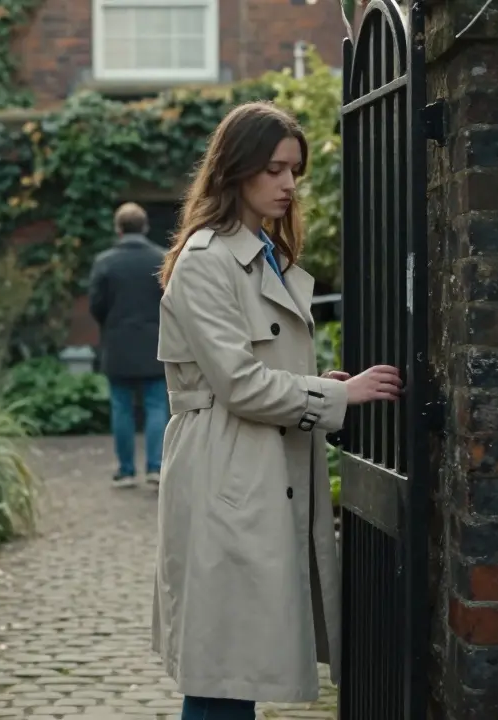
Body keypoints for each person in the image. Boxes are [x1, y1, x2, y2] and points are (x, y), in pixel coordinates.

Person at [150, 101, 402, 719]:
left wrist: (315, 384)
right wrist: (339, 395)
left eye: (294, 170)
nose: (289, 184)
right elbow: (239, 384)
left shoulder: (263, 252)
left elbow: (258, 369)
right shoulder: (207, 260)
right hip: (227, 470)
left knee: (238, 662)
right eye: (274, 169)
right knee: (223, 669)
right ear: (234, 170)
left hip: (261, 465)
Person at [87, 202, 169, 489]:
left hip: (118, 343)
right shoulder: (161, 259)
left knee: (121, 407)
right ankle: (155, 468)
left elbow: (96, 305)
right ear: (145, 227)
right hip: (155, 343)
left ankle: (126, 470)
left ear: (118, 229)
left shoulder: (105, 262)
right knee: (157, 406)